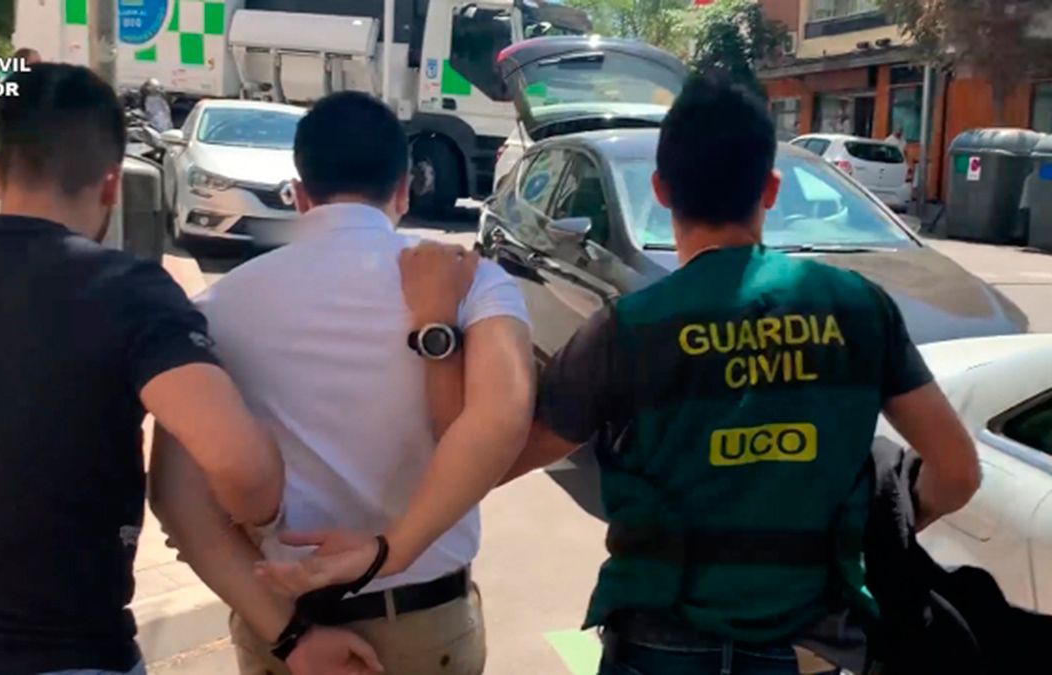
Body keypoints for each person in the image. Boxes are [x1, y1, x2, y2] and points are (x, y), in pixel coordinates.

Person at [403, 74, 982, 674]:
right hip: (808, 648)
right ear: (771, 189)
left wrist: (437, 328)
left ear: (660, 189)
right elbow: (958, 473)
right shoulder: (858, 309)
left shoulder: (628, 329)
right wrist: (867, 530)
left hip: (660, 646)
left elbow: (481, 464)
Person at [0, 64, 284, 675]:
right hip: (64, 652)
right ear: (111, 185)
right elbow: (243, 467)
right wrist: (264, 518)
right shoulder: (128, 293)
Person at [149, 90, 535, 675]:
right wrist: (388, 552)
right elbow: (502, 419)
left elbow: (178, 503)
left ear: (299, 193)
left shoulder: (213, 310)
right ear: (404, 189)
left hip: (289, 625)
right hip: (427, 625)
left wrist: (289, 636)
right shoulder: (474, 283)